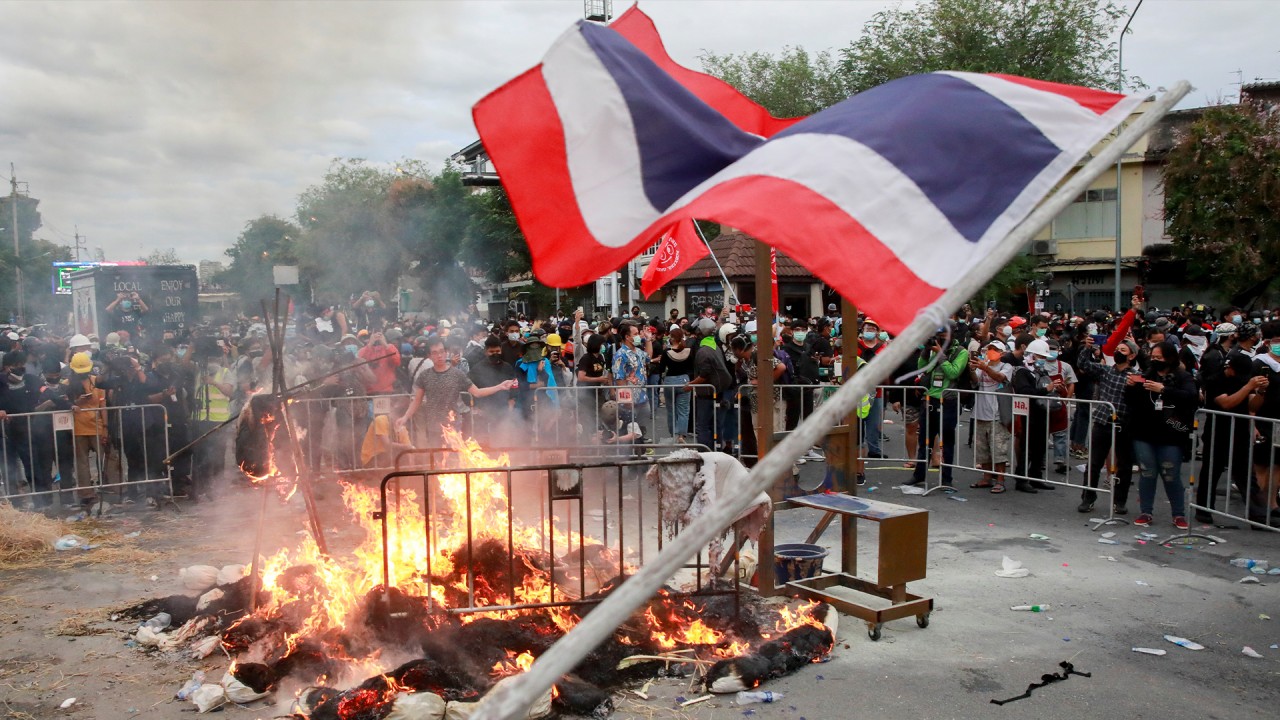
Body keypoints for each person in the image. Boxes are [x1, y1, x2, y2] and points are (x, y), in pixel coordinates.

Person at [1126, 340, 1198, 529]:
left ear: (1170, 358)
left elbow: (1191, 397)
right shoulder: (1146, 375)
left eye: (1159, 357)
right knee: (1147, 472)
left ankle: (1178, 514)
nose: (1155, 360)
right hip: (1144, 432)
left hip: (1172, 433)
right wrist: (1131, 386)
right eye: (1153, 357)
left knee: (1170, 473)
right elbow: (1131, 402)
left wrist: (1164, 390)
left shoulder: (1183, 377)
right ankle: (1146, 511)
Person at [394, 337, 515, 448]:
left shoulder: (457, 374)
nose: (439, 356)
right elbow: (417, 400)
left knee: (454, 462)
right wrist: (405, 417)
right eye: (435, 353)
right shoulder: (424, 376)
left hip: (454, 426)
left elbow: (477, 392)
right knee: (437, 462)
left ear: (446, 352)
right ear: (429, 356)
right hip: (433, 427)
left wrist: (499, 386)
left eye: (441, 351)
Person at [1076, 338, 1140, 514]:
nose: (1119, 352)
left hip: (1123, 424)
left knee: (1124, 465)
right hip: (1103, 421)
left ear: (1132, 356)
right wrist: (1087, 347)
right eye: (1118, 349)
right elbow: (1083, 364)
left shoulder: (1135, 376)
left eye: (1123, 350)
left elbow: (1138, 400)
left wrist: (1135, 387)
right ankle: (1088, 499)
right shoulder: (1105, 371)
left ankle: (1119, 502)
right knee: (1094, 463)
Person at [907, 331, 968, 489]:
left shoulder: (960, 352)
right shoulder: (933, 349)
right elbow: (922, 368)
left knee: (946, 441)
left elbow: (953, 373)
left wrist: (940, 354)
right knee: (924, 440)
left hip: (947, 401)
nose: (940, 337)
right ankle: (919, 475)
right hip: (929, 401)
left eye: (944, 334)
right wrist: (926, 351)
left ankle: (946, 478)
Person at [968, 339, 1013, 493]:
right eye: (989, 349)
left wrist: (985, 367)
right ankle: (986, 477)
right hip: (980, 412)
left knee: (998, 449)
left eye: (994, 349)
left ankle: (1000, 480)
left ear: (1002, 353)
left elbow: (1000, 378)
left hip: (997, 414)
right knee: (982, 449)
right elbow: (974, 381)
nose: (991, 351)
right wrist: (972, 369)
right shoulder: (982, 365)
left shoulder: (1006, 366)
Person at [684, 318, 733, 451]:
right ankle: (713, 451)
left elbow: (704, 375)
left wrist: (690, 385)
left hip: (706, 394)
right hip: (716, 391)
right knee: (713, 425)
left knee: (703, 426)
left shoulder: (704, 351)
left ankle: (705, 454)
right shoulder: (714, 346)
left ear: (700, 332)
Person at [1249, 323, 1280, 526]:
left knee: (1277, 465)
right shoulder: (1258, 363)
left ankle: (1272, 504)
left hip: (1279, 422)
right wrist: (1252, 422)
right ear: (1269, 342)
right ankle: (1258, 509)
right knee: (1261, 465)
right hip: (1263, 420)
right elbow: (1251, 400)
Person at [656, 327, 694, 444]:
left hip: (670, 381)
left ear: (672, 338)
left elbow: (661, 369)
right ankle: (681, 435)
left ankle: (673, 434)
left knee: (671, 409)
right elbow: (692, 367)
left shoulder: (667, 352)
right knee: (684, 410)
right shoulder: (689, 351)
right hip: (684, 380)